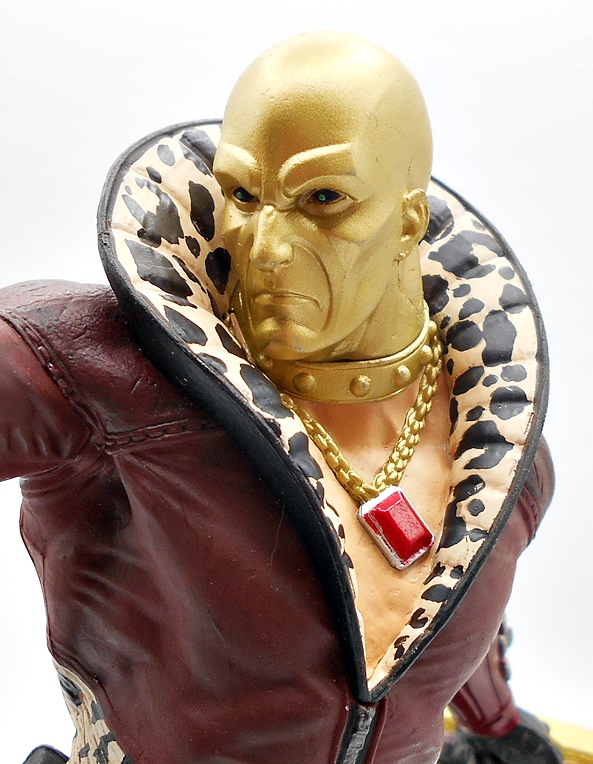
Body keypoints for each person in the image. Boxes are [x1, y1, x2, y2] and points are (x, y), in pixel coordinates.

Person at [0, 32, 560, 764]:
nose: (265, 249)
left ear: (409, 222)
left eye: (323, 199)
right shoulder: (95, 370)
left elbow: (456, 638)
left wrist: (500, 731)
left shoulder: (503, 458)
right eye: (241, 194)